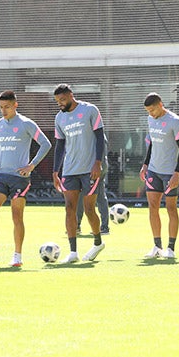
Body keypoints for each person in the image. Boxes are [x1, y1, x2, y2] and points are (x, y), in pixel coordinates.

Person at [0, 90, 52, 267]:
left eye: (7, 107)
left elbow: (46, 144)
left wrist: (31, 165)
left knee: (16, 216)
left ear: (15, 105)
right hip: (1, 176)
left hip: (20, 178)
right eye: (1, 107)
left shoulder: (26, 124)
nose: (3, 111)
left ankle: (17, 256)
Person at [52, 84, 107, 264]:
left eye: (63, 99)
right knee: (70, 209)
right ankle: (73, 252)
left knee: (90, 209)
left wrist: (98, 162)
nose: (60, 103)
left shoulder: (90, 110)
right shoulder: (59, 118)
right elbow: (60, 146)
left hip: (90, 169)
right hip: (70, 170)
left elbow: (100, 137)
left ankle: (98, 242)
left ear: (71, 95)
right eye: (57, 101)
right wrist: (55, 171)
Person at [139, 93, 179, 259]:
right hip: (153, 170)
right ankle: (157, 246)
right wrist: (145, 164)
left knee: (171, 208)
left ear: (161, 104)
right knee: (153, 206)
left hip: (170, 172)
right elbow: (152, 142)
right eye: (148, 111)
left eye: (152, 110)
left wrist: (177, 173)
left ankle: (171, 248)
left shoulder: (175, 121)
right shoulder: (151, 119)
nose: (150, 114)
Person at [75, 135, 110, 236]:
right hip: (94, 167)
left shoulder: (97, 134)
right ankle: (78, 225)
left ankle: (103, 227)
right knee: (99, 196)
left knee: (95, 196)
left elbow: (100, 151)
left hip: (94, 169)